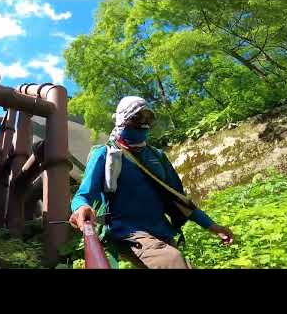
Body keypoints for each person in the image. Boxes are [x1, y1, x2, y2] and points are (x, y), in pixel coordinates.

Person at [69, 96, 234, 269]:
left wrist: (212, 226)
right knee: (174, 262)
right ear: (121, 119)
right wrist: (81, 208)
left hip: (162, 232)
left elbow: (180, 199)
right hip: (128, 233)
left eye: (149, 119)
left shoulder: (157, 156)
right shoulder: (105, 154)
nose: (143, 123)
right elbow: (82, 195)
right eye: (137, 117)